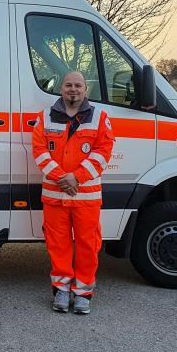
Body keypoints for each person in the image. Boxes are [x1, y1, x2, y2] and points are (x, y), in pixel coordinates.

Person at [31, 71, 115, 314]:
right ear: (61, 89)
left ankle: (83, 293)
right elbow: (39, 150)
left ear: (85, 90)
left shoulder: (99, 118)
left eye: (78, 85)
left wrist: (76, 177)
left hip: (86, 197)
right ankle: (61, 290)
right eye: (69, 85)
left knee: (88, 245)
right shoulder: (45, 117)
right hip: (55, 196)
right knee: (58, 245)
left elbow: (103, 150)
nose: (73, 89)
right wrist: (61, 177)